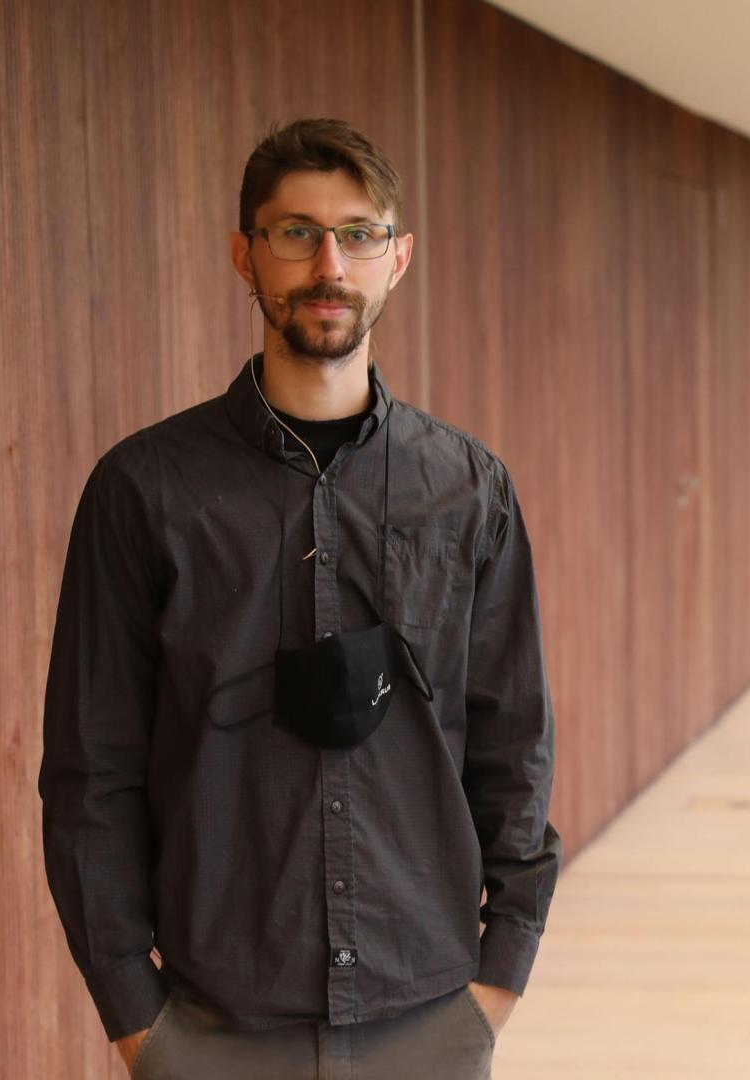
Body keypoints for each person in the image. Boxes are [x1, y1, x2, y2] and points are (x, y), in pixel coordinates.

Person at [39, 118, 560, 1079]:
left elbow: (513, 739)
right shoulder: (146, 489)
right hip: (210, 1026)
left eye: (359, 233)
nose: (330, 262)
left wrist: (500, 977)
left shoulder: (469, 488)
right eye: (295, 232)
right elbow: (90, 764)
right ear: (245, 252)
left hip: (431, 1014)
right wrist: (135, 1015)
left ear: (397, 259)